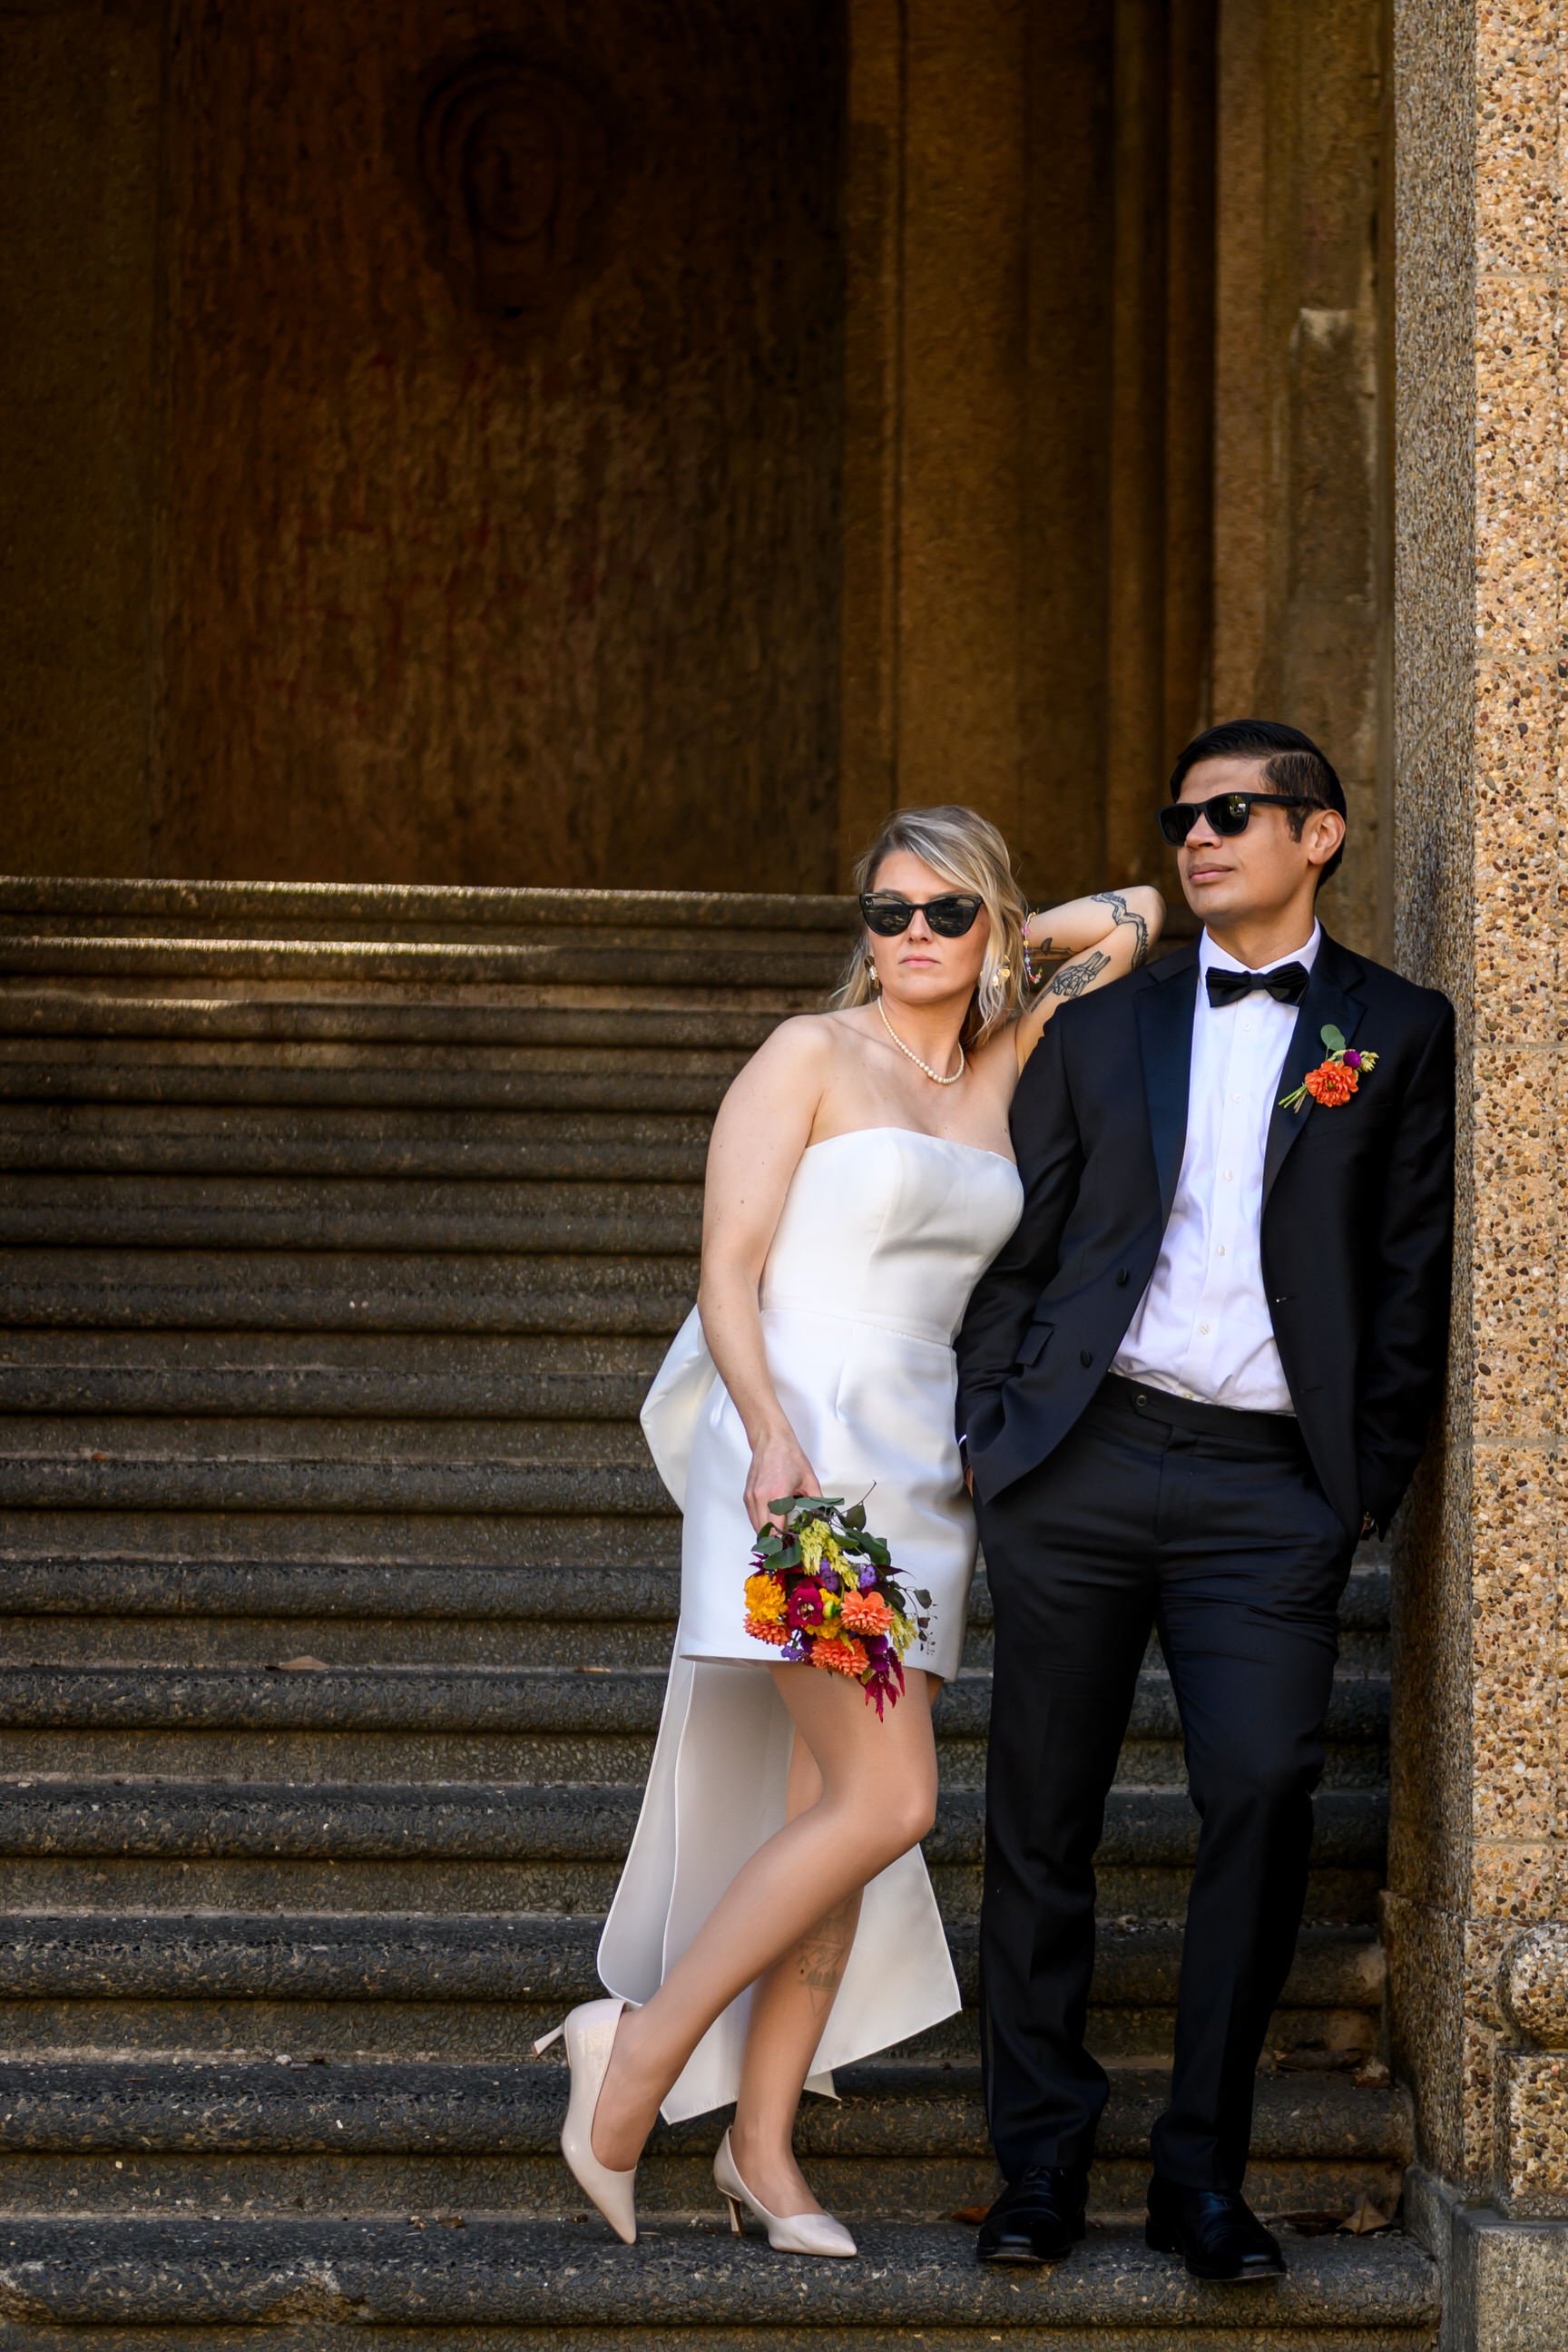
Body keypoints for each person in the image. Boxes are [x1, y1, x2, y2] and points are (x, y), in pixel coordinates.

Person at [534, 805, 1163, 2253]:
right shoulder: (806, 1053)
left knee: (839, 1814)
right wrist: (767, 1437)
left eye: (945, 911)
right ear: (860, 931)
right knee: (892, 1801)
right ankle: (632, 2051)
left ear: (990, 922)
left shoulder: (1003, 1061)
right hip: (803, 1467)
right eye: (888, 912)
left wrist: (1006, 943)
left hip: (925, 1474)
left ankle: (762, 2151)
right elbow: (729, 1270)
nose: (913, 936)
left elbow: (1134, 914)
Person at [955, 720, 1455, 2281]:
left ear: (1321, 834)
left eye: (1234, 812)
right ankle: (1039, 2162)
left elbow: (1411, 1270)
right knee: (1041, 1815)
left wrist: (1358, 1486)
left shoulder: (1398, 1027)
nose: (1199, 837)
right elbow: (1021, 1241)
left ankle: (1201, 2176)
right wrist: (995, 1430)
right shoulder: (1105, 1026)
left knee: (1260, 1792)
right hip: (1084, 1460)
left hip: (1268, 1495)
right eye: (1183, 817)